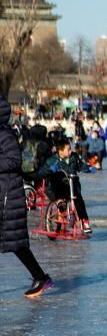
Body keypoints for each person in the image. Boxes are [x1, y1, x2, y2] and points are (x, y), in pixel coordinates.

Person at [0, 96, 54, 297]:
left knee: (16, 243)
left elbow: (14, 160)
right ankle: (40, 276)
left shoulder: (4, 134)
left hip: (8, 195)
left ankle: (41, 277)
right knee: (14, 242)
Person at [41, 137, 92, 234]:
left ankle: (84, 221)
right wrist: (49, 170)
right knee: (61, 200)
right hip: (59, 187)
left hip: (73, 186)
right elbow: (42, 172)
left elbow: (80, 166)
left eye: (70, 148)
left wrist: (88, 168)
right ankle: (59, 213)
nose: (70, 151)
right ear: (60, 150)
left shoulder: (73, 157)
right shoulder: (52, 160)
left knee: (79, 201)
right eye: (68, 149)